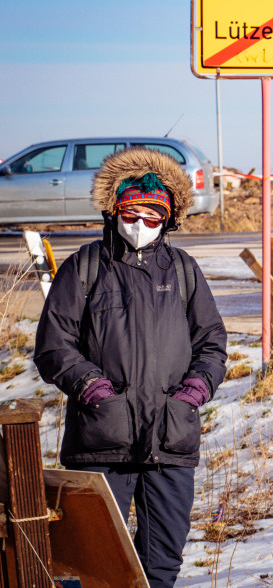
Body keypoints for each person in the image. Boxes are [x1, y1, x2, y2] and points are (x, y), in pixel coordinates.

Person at [34, 147, 228, 588]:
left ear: (169, 217)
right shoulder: (84, 267)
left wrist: (194, 392)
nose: (141, 225)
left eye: (153, 216)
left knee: (161, 562)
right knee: (97, 563)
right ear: (114, 210)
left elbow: (212, 342)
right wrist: (92, 390)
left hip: (170, 438)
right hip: (103, 439)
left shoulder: (183, 270)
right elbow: (53, 345)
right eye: (131, 213)